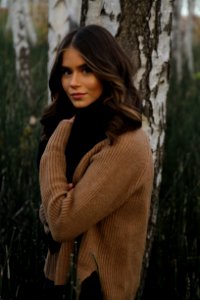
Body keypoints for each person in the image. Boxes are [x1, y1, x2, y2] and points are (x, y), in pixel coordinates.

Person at [37, 24, 154, 300]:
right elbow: (48, 217)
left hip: (97, 289)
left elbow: (61, 223)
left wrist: (53, 150)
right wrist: (53, 211)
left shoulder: (125, 144)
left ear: (107, 72)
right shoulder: (73, 127)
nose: (73, 83)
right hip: (58, 281)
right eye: (67, 71)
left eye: (86, 70)